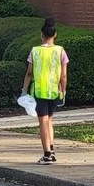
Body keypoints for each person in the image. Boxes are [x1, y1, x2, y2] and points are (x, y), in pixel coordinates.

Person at [21, 18, 68, 164]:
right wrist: (63, 90)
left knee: (43, 122)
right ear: (55, 35)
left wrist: (24, 90)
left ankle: (47, 154)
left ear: (41, 34)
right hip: (54, 90)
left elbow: (29, 73)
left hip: (40, 91)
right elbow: (64, 75)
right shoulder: (60, 51)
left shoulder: (35, 51)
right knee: (50, 120)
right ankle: (51, 149)